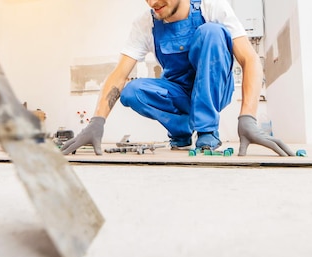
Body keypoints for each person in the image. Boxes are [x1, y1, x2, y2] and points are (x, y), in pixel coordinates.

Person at [61, 0, 294, 156]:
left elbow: (250, 60)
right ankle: (181, 131)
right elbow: (119, 75)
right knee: (132, 92)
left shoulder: (211, 6)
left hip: (215, 90)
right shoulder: (145, 24)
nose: (153, 2)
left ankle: (206, 132)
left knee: (211, 32)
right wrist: (96, 122)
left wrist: (248, 118)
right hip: (178, 93)